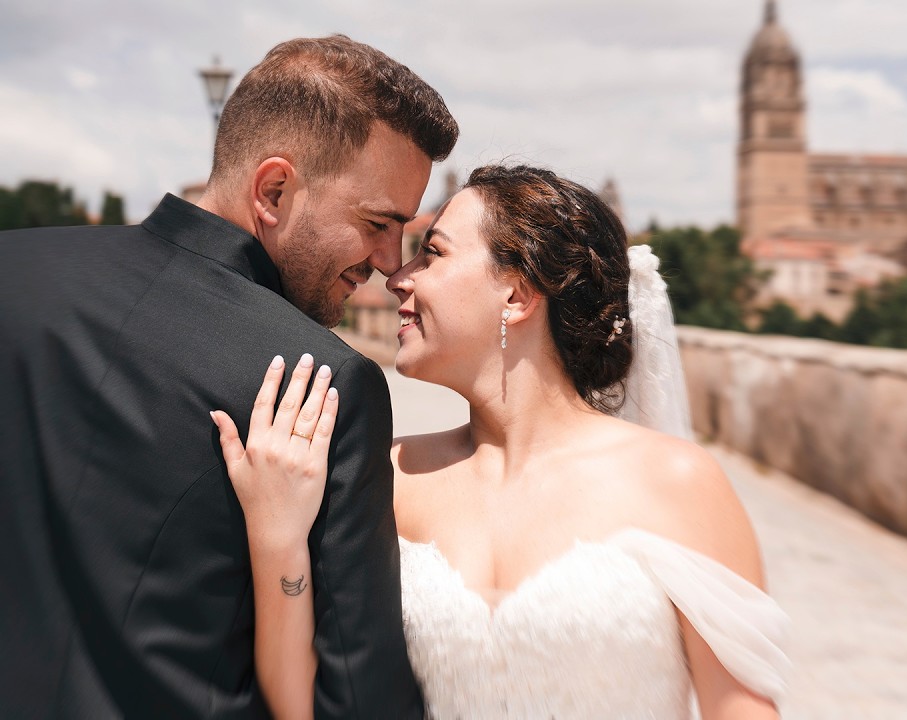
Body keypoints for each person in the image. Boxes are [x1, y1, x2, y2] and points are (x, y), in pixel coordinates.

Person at [212, 165, 790, 718]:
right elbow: (305, 703)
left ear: (516, 294)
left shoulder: (679, 484)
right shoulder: (384, 476)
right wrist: (278, 540)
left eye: (432, 253)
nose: (397, 277)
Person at [0, 35, 458, 717]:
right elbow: (360, 699)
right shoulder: (322, 383)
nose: (392, 262)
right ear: (274, 190)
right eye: (377, 223)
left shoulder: (14, 270)